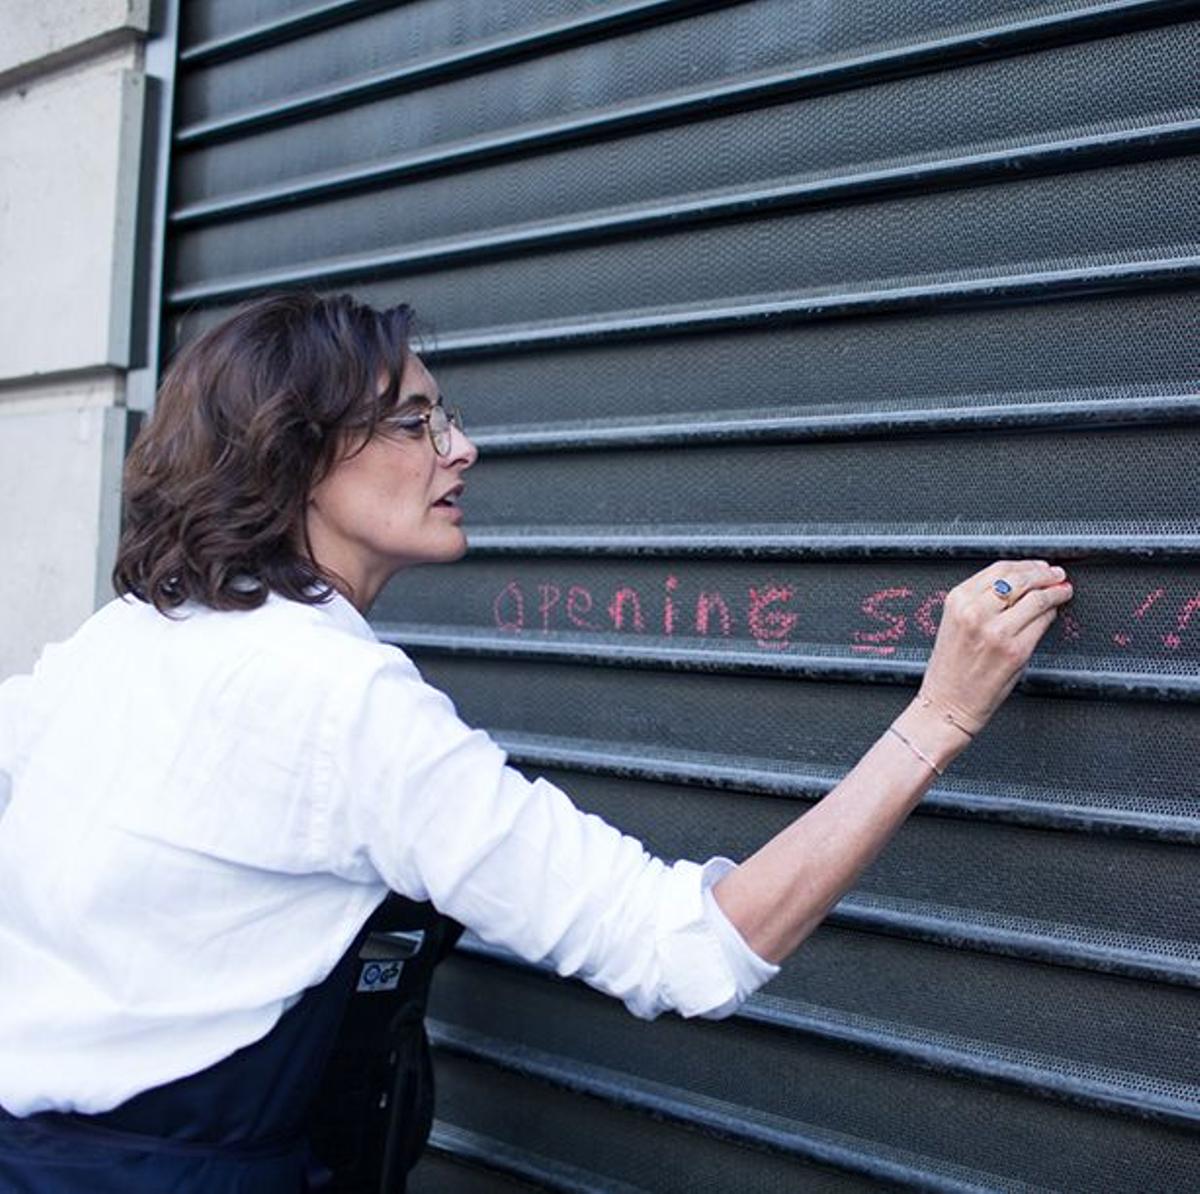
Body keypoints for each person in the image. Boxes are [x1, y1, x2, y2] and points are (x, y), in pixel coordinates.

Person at [0, 292, 1072, 1192]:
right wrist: (940, 717)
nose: (463, 446)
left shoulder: (120, 641)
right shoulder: (342, 701)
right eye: (417, 422)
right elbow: (688, 951)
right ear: (298, 457)